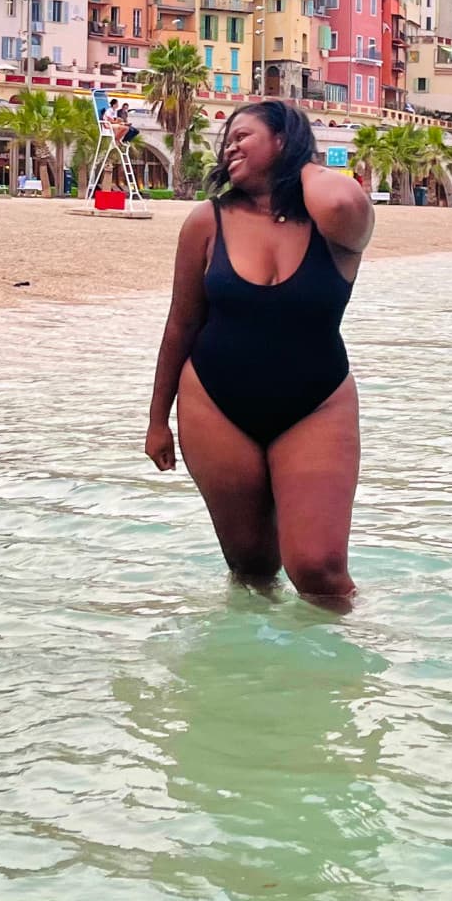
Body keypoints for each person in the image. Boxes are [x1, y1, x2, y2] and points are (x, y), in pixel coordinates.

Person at [145, 100, 375, 606]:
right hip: (214, 403)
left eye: (243, 135)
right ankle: (253, 677)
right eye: (225, 139)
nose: (229, 146)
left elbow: (340, 199)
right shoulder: (206, 222)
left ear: (282, 142)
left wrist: (300, 158)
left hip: (316, 404)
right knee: (252, 570)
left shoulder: (334, 224)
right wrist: (157, 419)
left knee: (321, 570)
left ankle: (339, 676)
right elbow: (182, 322)